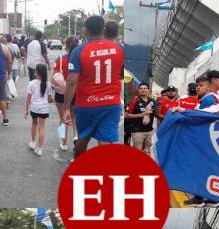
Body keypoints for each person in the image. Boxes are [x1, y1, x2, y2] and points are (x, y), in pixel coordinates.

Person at [63, 15, 125, 158]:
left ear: (85, 30)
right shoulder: (119, 49)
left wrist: (66, 107)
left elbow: (72, 81)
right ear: (103, 29)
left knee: (83, 138)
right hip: (111, 103)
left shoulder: (79, 51)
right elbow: (121, 74)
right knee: (105, 140)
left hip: (87, 104)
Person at [53, 36, 79, 151]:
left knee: (62, 117)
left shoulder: (60, 59)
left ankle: (63, 142)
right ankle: (76, 137)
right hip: (76, 91)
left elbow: (54, 75)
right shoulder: (80, 58)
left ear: (66, 47)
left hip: (61, 92)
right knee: (74, 117)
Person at [25, 63, 53, 156]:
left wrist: (26, 110)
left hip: (34, 108)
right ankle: (40, 148)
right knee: (41, 128)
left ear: (36, 72)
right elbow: (49, 99)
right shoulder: (48, 84)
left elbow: (28, 98)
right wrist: (50, 100)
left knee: (34, 124)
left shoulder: (32, 83)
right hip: (44, 109)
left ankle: (33, 142)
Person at [124, 82, 156, 155]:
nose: (143, 90)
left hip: (149, 131)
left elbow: (156, 114)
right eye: (141, 88)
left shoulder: (153, 101)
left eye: (145, 88)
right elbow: (126, 115)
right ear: (138, 90)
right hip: (138, 132)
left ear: (148, 90)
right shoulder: (134, 101)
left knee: (147, 152)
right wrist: (140, 115)